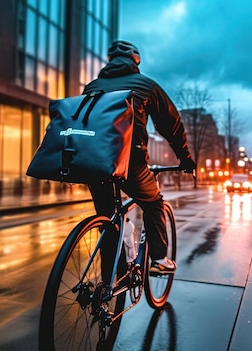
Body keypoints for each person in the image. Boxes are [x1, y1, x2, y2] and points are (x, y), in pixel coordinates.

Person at [82, 40, 196, 274]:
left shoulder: (92, 87)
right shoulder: (145, 85)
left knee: (107, 219)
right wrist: (185, 158)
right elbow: (171, 125)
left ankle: (110, 281)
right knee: (154, 203)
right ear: (136, 61)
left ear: (110, 62)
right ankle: (160, 259)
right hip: (128, 162)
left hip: (92, 161)